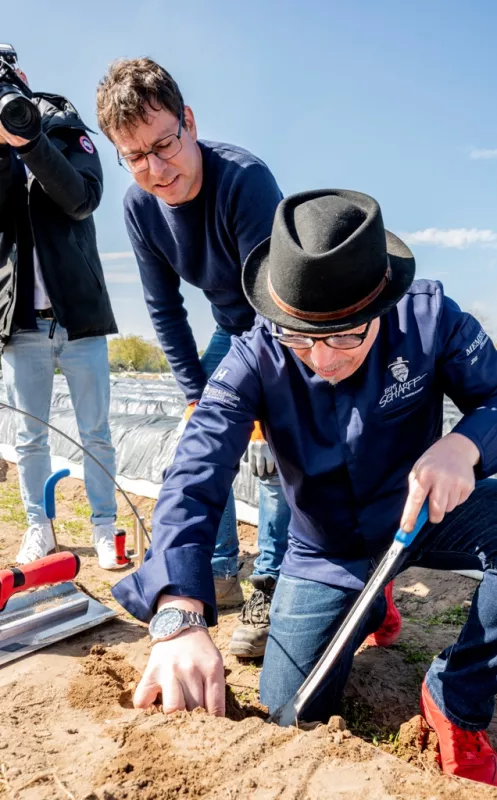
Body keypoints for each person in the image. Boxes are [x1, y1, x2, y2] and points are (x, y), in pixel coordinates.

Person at [113, 188, 497, 787]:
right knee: (291, 714)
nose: (322, 358)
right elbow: (195, 468)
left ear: (383, 303)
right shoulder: (254, 355)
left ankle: (456, 700)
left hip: (422, 516)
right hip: (328, 550)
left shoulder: (430, 318)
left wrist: (466, 443)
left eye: (346, 336)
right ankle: (367, 595)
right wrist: (178, 610)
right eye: (301, 337)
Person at [96, 57, 291, 654]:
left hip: (284, 327)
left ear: (189, 121)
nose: (156, 169)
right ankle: (220, 566)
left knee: (278, 451)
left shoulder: (244, 180)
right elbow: (164, 307)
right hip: (230, 328)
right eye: (134, 157)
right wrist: (191, 395)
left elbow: (273, 300)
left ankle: (273, 581)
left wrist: (260, 416)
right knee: (197, 441)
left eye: (164, 144)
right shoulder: (139, 206)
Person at [0, 46, 123, 569]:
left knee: (95, 430)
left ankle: (103, 526)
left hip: (79, 319)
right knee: (28, 436)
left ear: (22, 76)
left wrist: (29, 142)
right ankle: (40, 529)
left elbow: (80, 198)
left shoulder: (61, 123)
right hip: (20, 324)